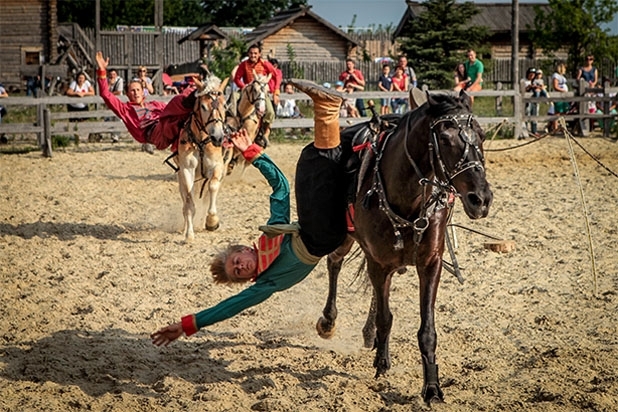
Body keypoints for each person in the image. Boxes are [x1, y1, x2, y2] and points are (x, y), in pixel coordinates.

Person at [151, 80, 351, 347]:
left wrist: (253, 154)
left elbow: (280, 186)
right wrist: (189, 325)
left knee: (317, 163)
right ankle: (326, 109)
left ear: (245, 249)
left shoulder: (272, 234)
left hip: (320, 228)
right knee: (312, 165)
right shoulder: (264, 285)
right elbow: (230, 307)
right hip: (322, 237)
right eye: (238, 272)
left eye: (236, 261)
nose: (240, 267)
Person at [95, 51, 198, 154]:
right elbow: (105, 94)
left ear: (143, 92)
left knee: (186, 114)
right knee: (176, 104)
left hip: (166, 126)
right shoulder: (125, 110)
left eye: (138, 90)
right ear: (127, 94)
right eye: (132, 91)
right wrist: (102, 71)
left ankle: (198, 96)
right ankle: (195, 93)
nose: (136, 93)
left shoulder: (153, 104)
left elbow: (169, 110)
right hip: (154, 133)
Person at [234, 44, 281, 143]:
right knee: (233, 98)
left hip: (261, 91)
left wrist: (276, 91)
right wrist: (244, 87)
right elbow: (237, 78)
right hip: (247, 91)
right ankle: (231, 125)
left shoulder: (265, 64)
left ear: (259, 54)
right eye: (251, 53)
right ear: (248, 54)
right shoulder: (244, 64)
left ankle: (263, 132)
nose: (253, 55)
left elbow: (276, 75)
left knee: (270, 112)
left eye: (255, 53)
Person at [550, 62, 571, 132]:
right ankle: (555, 127)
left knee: (564, 111)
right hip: (558, 96)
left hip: (563, 97)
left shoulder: (562, 76)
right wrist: (563, 90)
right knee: (557, 112)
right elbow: (555, 86)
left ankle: (562, 126)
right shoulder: (556, 76)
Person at [106, 69, 124, 143]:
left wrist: (109, 94)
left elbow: (119, 92)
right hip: (109, 101)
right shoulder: (107, 80)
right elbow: (104, 90)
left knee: (118, 118)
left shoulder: (119, 80)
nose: (112, 76)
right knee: (110, 118)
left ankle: (116, 136)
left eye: (114, 74)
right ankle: (112, 135)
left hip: (117, 101)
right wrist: (110, 84)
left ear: (116, 75)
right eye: (111, 74)